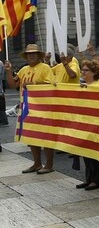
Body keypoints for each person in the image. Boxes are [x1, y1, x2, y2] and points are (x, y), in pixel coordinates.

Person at [5, 44, 55, 174]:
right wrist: (8, 71)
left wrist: (33, 84)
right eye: (29, 54)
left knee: (46, 136)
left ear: (39, 55)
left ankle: (49, 165)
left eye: (34, 53)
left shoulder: (45, 68)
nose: (31, 56)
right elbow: (12, 84)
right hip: (27, 107)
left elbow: (50, 85)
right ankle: (37, 163)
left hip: (43, 107)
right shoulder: (23, 69)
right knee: (31, 136)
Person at [76, 59, 99, 190]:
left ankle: (96, 179)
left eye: (86, 70)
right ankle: (88, 178)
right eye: (82, 70)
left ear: (94, 72)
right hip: (85, 122)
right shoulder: (83, 85)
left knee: (93, 154)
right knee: (85, 152)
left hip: (95, 123)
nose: (83, 72)